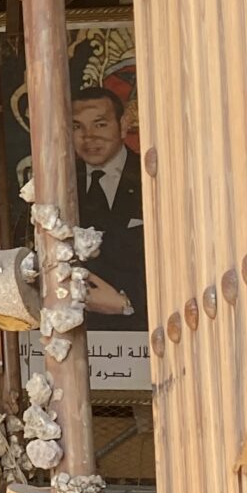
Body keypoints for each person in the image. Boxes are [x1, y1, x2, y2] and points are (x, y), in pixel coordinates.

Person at [70, 84, 145, 323]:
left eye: (100, 124)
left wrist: (128, 302)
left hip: (143, 329)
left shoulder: (153, 178)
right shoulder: (58, 185)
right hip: (76, 331)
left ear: (123, 127)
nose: (89, 136)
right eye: (77, 127)